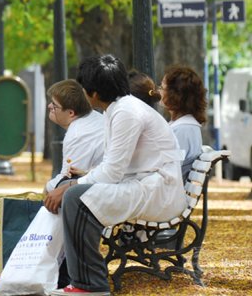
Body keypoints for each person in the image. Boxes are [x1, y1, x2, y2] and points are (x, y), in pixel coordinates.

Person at [46, 55, 187, 296]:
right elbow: (114, 165)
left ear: (94, 94)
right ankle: (70, 278)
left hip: (156, 190)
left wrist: (72, 186)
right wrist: (78, 179)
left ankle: (90, 284)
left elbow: (112, 171)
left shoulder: (126, 113)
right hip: (143, 183)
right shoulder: (119, 108)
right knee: (73, 189)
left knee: (75, 198)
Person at [43, 79, 104, 194]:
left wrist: (46, 189)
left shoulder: (77, 134)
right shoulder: (93, 118)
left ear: (71, 113)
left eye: (55, 105)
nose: (49, 106)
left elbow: (67, 178)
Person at [159, 65, 207, 180]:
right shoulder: (186, 125)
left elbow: (169, 172)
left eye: (162, 87)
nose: (158, 91)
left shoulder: (182, 129)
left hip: (168, 193)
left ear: (175, 94)